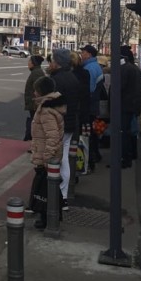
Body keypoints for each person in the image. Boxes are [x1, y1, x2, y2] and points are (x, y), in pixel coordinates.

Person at [29, 75, 65, 230]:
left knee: (46, 188)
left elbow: (52, 136)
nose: (34, 93)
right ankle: (51, 215)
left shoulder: (46, 110)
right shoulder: (51, 105)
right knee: (48, 187)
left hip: (47, 155)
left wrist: (47, 157)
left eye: (36, 90)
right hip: (48, 153)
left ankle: (47, 219)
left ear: (42, 92)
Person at [49, 47, 81, 209]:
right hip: (70, 122)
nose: (51, 63)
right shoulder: (73, 78)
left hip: (58, 123)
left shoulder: (57, 80)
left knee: (55, 159)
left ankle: (55, 197)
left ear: (58, 62)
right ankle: (64, 195)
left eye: (53, 60)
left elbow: (51, 102)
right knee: (65, 159)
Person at [120, 46, 141, 168]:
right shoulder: (135, 69)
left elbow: (119, 87)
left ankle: (126, 158)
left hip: (125, 105)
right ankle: (132, 154)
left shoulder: (125, 69)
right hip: (133, 105)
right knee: (130, 131)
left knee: (124, 132)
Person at [80, 45, 103, 167]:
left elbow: (89, 89)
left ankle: (91, 157)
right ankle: (95, 154)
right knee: (92, 132)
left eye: (83, 52)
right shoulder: (95, 66)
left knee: (88, 133)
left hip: (89, 105)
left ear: (89, 54)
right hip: (93, 104)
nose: (81, 54)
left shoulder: (89, 68)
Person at [23, 55, 45, 141]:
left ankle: (35, 142)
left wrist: (35, 102)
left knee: (35, 124)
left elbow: (38, 89)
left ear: (33, 63)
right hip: (33, 103)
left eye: (30, 61)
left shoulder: (36, 73)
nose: (28, 63)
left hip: (34, 103)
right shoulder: (35, 72)